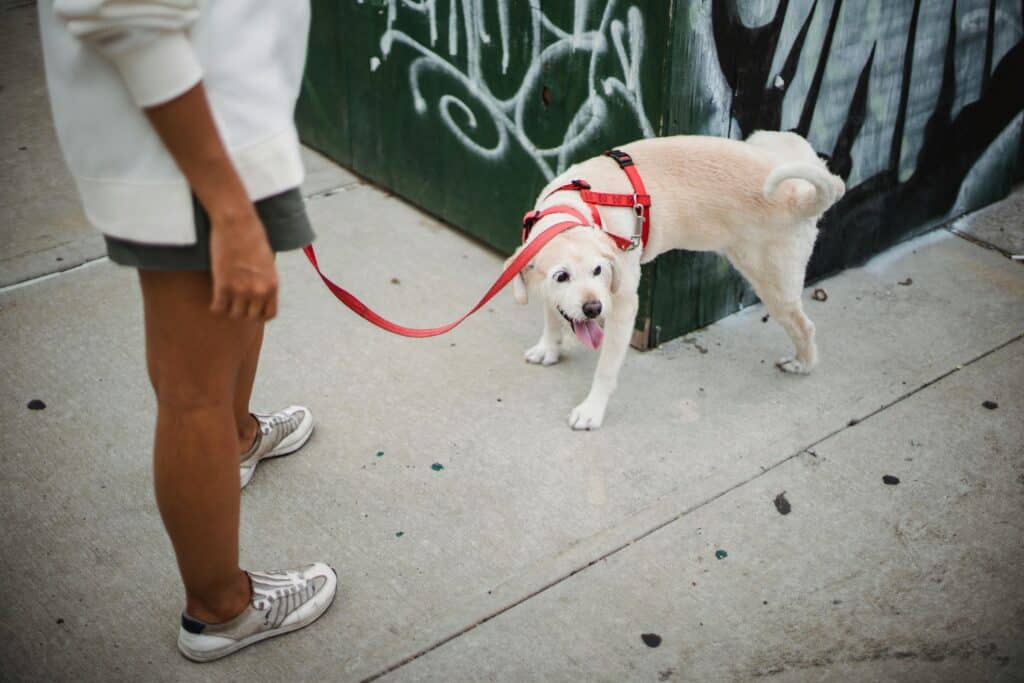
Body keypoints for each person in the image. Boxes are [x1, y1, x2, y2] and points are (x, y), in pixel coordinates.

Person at [38, 0, 336, 662]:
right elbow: (118, 12)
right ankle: (220, 607)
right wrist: (227, 205)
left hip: (225, 123)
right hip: (188, 143)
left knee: (236, 317)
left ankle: (238, 440)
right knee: (192, 390)